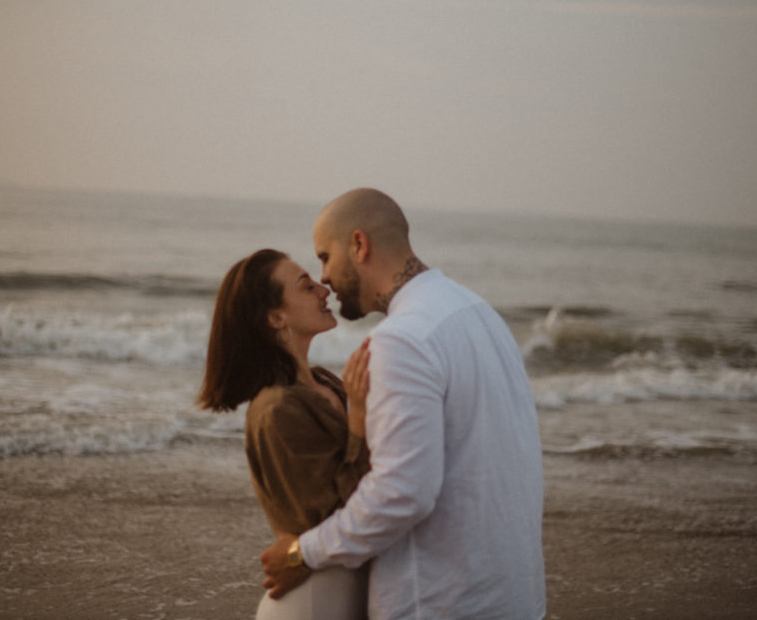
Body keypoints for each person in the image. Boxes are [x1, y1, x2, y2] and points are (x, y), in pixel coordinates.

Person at [260, 188, 547, 620]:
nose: (325, 278)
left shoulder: (402, 339)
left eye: (325, 256)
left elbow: (402, 493)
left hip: (442, 603)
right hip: (513, 596)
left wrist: (303, 553)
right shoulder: (477, 312)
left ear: (359, 245)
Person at [198, 248, 373, 620]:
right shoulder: (277, 410)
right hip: (313, 600)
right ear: (276, 317)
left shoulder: (325, 381)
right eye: (306, 287)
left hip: (346, 590)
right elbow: (334, 516)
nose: (324, 290)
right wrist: (358, 417)